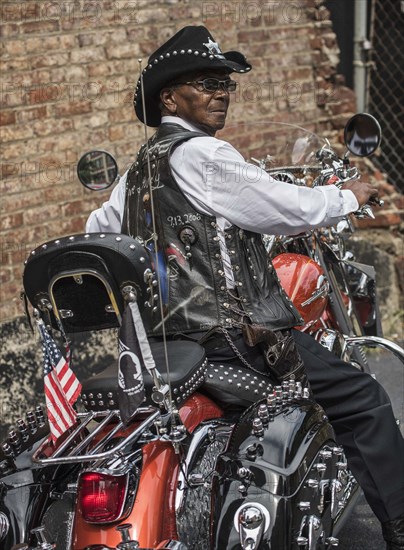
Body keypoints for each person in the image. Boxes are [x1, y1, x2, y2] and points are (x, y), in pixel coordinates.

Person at [86, 26, 404, 549]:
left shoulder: (138, 171)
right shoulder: (203, 155)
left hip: (168, 344)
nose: (220, 94)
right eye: (208, 83)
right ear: (170, 96)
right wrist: (345, 195)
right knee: (364, 398)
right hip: (234, 341)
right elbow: (285, 209)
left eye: (227, 85)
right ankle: (397, 525)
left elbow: (102, 232)